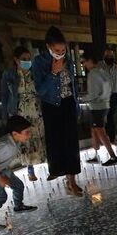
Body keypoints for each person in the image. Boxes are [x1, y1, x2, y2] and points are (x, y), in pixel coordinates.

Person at [32, 26, 84, 196]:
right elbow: (40, 90)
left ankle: (72, 180)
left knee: (71, 143)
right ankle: (56, 169)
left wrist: (76, 104)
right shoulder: (39, 62)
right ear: (48, 47)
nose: (61, 53)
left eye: (63, 50)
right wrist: (53, 73)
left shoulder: (68, 60)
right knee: (55, 140)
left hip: (68, 103)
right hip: (51, 105)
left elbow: (72, 84)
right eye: (57, 50)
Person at [0, 115, 38, 230]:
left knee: (18, 185)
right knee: (1, 197)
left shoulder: (13, 141)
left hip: (1, 169)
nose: (29, 135)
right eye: (26, 132)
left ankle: (18, 206)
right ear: (15, 133)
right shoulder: (5, 144)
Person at [1, 46, 46, 181]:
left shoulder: (35, 74)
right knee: (24, 140)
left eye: (28, 59)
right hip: (20, 111)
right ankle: (30, 168)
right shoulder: (9, 75)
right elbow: (4, 96)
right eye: (23, 59)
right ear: (16, 60)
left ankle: (43, 162)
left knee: (38, 137)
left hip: (36, 110)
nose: (27, 61)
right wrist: (5, 115)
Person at [81, 52, 117, 166]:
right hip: (104, 105)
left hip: (97, 107)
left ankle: (113, 157)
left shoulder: (93, 74)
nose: (83, 64)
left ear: (89, 61)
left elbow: (94, 93)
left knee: (100, 131)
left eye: (84, 61)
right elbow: (108, 88)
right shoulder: (102, 72)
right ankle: (95, 155)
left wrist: (83, 99)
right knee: (94, 130)